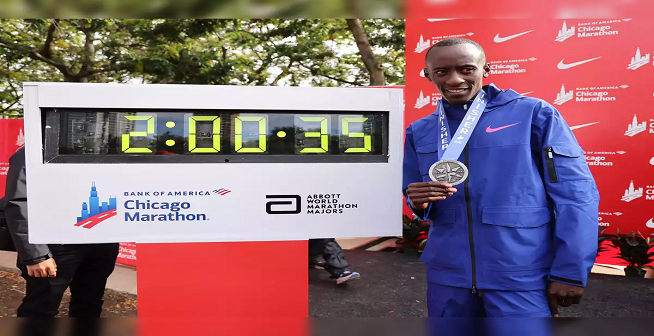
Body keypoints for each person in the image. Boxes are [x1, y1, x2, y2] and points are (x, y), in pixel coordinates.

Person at [402, 38, 599, 319]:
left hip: (519, 274)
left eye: (467, 69)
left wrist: (569, 271)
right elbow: (414, 195)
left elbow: (576, 196)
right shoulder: (420, 130)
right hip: (448, 276)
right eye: (442, 71)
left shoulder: (534, 114)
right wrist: (418, 202)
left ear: (486, 69)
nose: (455, 79)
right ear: (428, 74)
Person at [4, 146, 120, 317]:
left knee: (89, 306)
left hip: (102, 243)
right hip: (54, 247)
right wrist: (36, 255)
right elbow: (20, 202)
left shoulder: (105, 148)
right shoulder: (34, 149)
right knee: (40, 310)